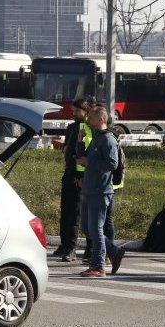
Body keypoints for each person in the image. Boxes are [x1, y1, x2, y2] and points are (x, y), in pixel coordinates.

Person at [77, 106, 124, 277]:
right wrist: (80, 141)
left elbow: (112, 164)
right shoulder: (96, 138)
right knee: (88, 229)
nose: (88, 120)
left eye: (91, 117)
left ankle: (98, 266)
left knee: (96, 229)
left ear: (101, 120)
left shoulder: (108, 139)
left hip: (101, 190)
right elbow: (82, 160)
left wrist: (90, 163)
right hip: (89, 189)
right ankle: (114, 251)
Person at [53, 95, 94, 260]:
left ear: (86, 111)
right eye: (73, 110)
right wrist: (63, 146)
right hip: (68, 173)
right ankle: (64, 244)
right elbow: (72, 148)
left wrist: (80, 175)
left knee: (76, 214)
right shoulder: (72, 128)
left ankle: (72, 248)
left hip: (79, 176)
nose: (74, 113)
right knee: (66, 211)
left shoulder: (87, 128)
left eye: (78, 111)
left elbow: (85, 152)